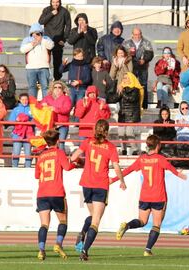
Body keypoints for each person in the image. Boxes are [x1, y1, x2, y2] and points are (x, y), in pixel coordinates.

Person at [114, 134, 187, 256]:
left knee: (142, 220)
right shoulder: (160, 159)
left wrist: (114, 179)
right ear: (158, 146)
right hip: (158, 196)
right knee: (156, 225)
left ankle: (127, 225)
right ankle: (147, 250)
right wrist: (181, 175)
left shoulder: (142, 158)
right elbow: (172, 170)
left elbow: (128, 170)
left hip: (145, 196)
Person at [70, 119, 126, 261]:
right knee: (96, 220)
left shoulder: (88, 142)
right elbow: (117, 166)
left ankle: (82, 233)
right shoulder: (111, 147)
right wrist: (122, 181)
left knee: (93, 215)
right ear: (107, 131)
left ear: (95, 130)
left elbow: (73, 157)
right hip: (100, 185)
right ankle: (84, 250)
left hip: (87, 183)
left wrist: (83, 162)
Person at [34, 129, 76, 260]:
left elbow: (37, 175)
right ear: (57, 141)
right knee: (63, 221)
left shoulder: (41, 156)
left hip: (42, 193)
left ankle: (41, 250)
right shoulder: (59, 153)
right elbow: (67, 167)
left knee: (44, 224)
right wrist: (75, 163)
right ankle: (58, 244)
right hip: (56, 192)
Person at [110, 72, 142, 155]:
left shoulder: (135, 89)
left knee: (129, 132)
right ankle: (123, 149)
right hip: (122, 115)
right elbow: (113, 99)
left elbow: (131, 99)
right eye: (124, 78)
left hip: (132, 115)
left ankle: (135, 149)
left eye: (127, 78)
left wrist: (122, 92)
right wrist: (116, 89)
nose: (125, 80)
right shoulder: (121, 89)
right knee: (120, 133)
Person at [38, 0, 71, 80]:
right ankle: (43, 80)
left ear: (60, 2)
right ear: (51, 2)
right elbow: (41, 21)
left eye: (57, 2)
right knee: (45, 61)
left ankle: (57, 80)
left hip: (58, 41)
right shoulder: (46, 10)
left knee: (57, 62)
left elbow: (68, 26)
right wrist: (51, 14)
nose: (55, 4)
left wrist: (64, 39)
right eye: (53, 2)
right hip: (47, 40)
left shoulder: (64, 11)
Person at [20, 23, 54, 99]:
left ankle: (46, 104)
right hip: (30, 68)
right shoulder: (27, 40)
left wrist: (41, 40)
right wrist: (32, 44)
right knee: (32, 87)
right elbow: (22, 50)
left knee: (45, 87)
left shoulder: (46, 39)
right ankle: (32, 105)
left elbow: (51, 46)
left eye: (37, 33)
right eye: (33, 33)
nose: (35, 35)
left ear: (41, 33)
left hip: (44, 67)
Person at [122, 27, 154, 109]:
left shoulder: (146, 42)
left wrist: (144, 60)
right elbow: (121, 54)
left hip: (142, 67)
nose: (137, 36)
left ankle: (144, 106)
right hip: (130, 68)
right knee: (130, 85)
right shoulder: (126, 43)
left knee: (143, 85)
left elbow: (150, 53)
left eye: (139, 34)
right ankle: (131, 105)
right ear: (132, 34)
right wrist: (129, 54)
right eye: (135, 34)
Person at [41, 81, 72, 150]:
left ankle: (62, 159)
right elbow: (40, 107)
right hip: (50, 124)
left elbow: (67, 109)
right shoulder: (47, 98)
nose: (57, 89)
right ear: (52, 89)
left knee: (61, 144)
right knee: (50, 145)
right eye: (55, 87)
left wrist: (55, 109)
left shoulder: (66, 98)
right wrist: (43, 106)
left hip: (62, 125)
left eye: (59, 87)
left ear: (63, 89)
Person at [8, 93, 33, 168]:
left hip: (28, 134)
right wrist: (17, 120)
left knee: (28, 153)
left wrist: (28, 119)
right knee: (16, 152)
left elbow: (36, 120)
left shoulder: (32, 109)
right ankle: (14, 168)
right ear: (19, 100)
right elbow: (10, 121)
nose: (25, 101)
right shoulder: (16, 110)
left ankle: (28, 168)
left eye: (26, 99)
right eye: (23, 99)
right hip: (17, 134)